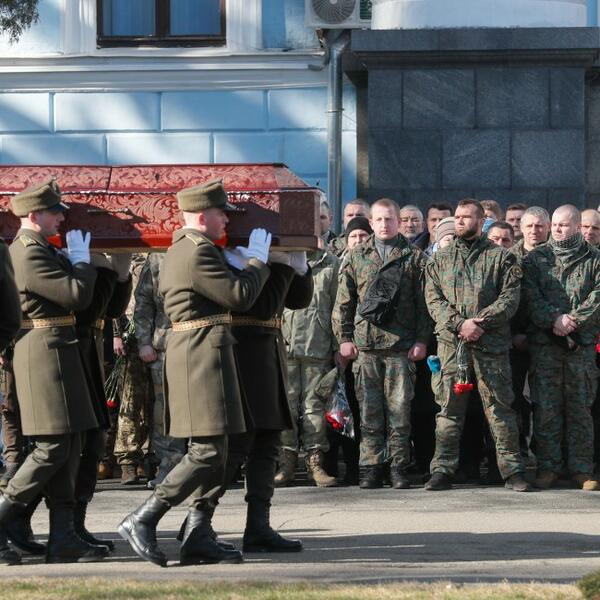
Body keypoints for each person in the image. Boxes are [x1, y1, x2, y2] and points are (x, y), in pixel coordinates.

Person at [118, 179, 272, 567]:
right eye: (222, 214)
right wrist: (257, 262)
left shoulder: (193, 249)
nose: (227, 221)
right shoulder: (196, 251)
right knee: (206, 451)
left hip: (206, 352)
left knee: (219, 451)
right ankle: (144, 517)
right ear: (203, 217)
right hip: (199, 356)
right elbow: (239, 296)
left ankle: (198, 535)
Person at [0, 178, 108, 564]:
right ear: (34, 215)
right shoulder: (27, 253)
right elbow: (75, 296)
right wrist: (81, 262)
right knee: (52, 447)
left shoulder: (42, 249)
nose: (62, 218)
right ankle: (4, 517)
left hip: (60, 351)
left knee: (70, 446)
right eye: (55, 212)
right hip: (43, 354)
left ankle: (63, 537)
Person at [424, 198, 531, 493]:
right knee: (448, 410)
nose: (459, 221)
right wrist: (460, 324)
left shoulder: (501, 258)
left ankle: (512, 471)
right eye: (457, 216)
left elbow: (509, 299)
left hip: (490, 346)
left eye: (466, 217)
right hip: (452, 346)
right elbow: (433, 299)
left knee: (500, 410)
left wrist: (479, 323)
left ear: (481, 221)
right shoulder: (440, 259)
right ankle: (442, 470)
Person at [333, 198, 431, 489]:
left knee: (400, 413)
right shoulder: (356, 256)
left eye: (390, 219)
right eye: (379, 219)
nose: (385, 224)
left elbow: (425, 305)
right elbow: (344, 303)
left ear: (398, 221)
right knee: (369, 412)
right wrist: (344, 339)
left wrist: (422, 340)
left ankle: (398, 467)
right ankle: (371, 466)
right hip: (366, 347)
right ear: (371, 222)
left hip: (402, 346)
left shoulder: (414, 258)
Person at [523, 205, 600, 491]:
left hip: (581, 347)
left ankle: (582, 469)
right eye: (554, 224)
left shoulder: (594, 258)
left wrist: (573, 321)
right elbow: (530, 297)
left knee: (580, 408)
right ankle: (548, 467)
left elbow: (597, 297)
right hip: (546, 346)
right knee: (546, 409)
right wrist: (554, 319)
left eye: (564, 225)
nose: (557, 229)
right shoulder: (535, 259)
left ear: (578, 227)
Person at [278, 242, 341, 488]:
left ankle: (315, 461)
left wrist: (338, 345)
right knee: (286, 405)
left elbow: (338, 308)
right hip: (285, 344)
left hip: (318, 345)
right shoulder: (282, 258)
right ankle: (287, 462)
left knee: (314, 406)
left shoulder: (331, 263)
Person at [133, 253, 186, 489]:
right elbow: (143, 300)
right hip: (166, 344)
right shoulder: (158, 257)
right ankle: (169, 465)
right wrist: (143, 341)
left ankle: (204, 467)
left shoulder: (209, 248)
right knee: (165, 411)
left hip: (201, 343)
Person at [112, 254, 154, 485]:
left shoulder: (160, 254)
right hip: (131, 333)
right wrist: (117, 333)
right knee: (130, 400)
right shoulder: (129, 254)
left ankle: (149, 457)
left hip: (158, 332)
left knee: (155, 401)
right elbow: (117, 294)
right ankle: (128, 460)